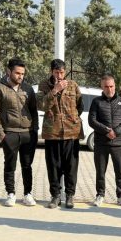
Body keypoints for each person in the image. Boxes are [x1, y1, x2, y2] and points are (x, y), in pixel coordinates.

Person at [0, 58, 39, 207]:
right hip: (9, 133)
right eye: (17, 73)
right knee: (10, 165)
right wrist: (1, 133)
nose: (20, 76)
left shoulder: (28, 89)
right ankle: (11, 194)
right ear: (8, 71)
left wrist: (35, 130)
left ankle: (27, 194)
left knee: (27, 165)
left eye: (23, 74)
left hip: (27, 133)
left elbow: (34, 111)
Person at [37, 59, 84, 209]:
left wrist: (72, 119)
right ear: (51, 71)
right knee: (53, 166)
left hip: (72, 132)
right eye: (57, 72)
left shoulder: (73, 85)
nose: (60, 75)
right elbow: (42, 105)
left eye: (62, 72)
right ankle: (55, 196)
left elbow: (80, 106)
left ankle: (70, 195)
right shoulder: (44, 85)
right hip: (53, 133)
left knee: (71, 166)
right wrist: (55, 90)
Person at [88, 74, 121, 207]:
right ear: (102, 86)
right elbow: (92, 120)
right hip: (101, 143)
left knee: (120, 171)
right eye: (106, 86)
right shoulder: (96, 102)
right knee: (100, 171)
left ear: (115, 86)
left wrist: (116, 131)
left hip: (118, 143)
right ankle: (100, 195)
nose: (109, 89)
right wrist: (107, 131)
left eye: (111, 86)